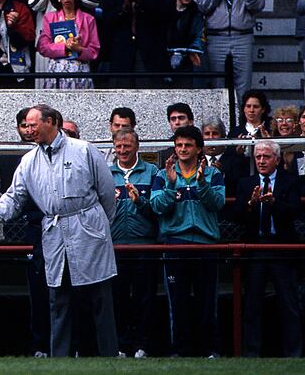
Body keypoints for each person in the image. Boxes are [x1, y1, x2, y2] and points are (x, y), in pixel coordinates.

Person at [0, 103, 118, 357]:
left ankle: (108, 355)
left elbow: (107, 194)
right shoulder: (29, 161)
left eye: (33, 124)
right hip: (54, 232)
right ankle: (59, 359)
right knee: (58, 299)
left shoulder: (84, 150)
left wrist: (98, 228)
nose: (29, 130)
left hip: (88, 229)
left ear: (51, 122)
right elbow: (14, 197)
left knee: (99, 298)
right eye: (27, 126)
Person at [151, 125, 224, 358]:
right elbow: (157, 207)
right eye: (179, 145)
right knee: (178, 302)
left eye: (188, 145)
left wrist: (202, 184)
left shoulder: (214, 174)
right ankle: (180, 351)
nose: (183, 149)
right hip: (175, 244)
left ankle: (209, 350)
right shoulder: (162, 176)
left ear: (199, 149)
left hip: (205, 244)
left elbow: (218, 204)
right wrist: (172, 185)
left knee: (207, 302)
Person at [235, 140, 301, 357]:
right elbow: (237, 218)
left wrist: (274, 203)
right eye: (258, 157)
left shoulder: (289, 182)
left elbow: (294, 213)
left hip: (281, 248)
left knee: (288, 303)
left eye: (266, 157)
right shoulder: (246, 183)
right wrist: (251, 205)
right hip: (255, 248)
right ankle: (251, 353)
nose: (261, 161)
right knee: (252, 303)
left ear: (277, 159)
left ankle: (293, 353)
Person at [109, 128, 159, 359]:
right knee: (118, 298)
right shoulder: (106, 173)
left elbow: (158, 210)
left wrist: (139, 201)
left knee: (144, 298)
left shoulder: (152, 172)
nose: (122, 151)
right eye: (118, 147)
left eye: (127, 146)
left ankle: (143, 345)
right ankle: (121, 345)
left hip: (145, 244)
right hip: (115, 245)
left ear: (137, 146)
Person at [196, 0, 264, 100]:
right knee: (218, 88)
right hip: (216, 38)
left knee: (243, 89)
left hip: (243, 36)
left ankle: (241, 124)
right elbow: (202, 6)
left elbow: (258, 6)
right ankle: (220, 125)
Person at [36, 0, 100, 89]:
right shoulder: (49, 18)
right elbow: (42, 47)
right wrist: (64, 47)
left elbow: (94, 51)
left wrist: (79, 49)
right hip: (56, 72)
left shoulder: (88, 19)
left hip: (80, 72)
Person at [167, 0, 204, 84]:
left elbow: (199, 36)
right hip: (164, 60)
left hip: (187, 62)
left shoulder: (196, 13)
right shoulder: (165, 9)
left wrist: (191, 52)